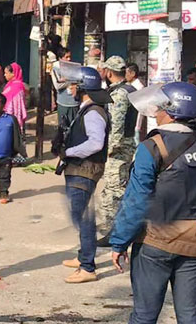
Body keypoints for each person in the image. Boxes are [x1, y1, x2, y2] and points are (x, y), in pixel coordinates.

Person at [110, 82, 196, 324]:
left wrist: (119, 241)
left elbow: (137, 201)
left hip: (156, 243)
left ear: (171, 111)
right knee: (190, 317)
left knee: (144, 316)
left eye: (159, 108)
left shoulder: (153, 147)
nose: (155, 113)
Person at [58, 65, 112, 284]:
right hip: (80, 168)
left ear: (82, 87)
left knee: (83, 218)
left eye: (72, 85)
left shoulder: (93, 112)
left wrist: (69, 152)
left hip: (85, 169)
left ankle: (88, 267)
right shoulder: (86, 108)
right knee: (82, 214)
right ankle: (83, 257)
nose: (70, 89)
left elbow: (96, 143)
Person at [97, 56, 138, 245]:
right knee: (113, 189)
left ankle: (116, 233)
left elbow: (117, 125)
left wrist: (109, 150)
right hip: (124, 146)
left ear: (109, 72)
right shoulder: (126, 90)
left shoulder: (120, 93)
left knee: (115, 190)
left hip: (118, 149)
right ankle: (113, 229)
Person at [51, 48, 79, 127]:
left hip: (74, 103)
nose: (69, 59)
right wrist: (72, 79)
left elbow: (79, 81)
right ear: (60, 58)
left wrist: (67, 80)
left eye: (70, 57)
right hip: (63, 103)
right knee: (63, 127)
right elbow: (57, 86)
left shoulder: (74, 68)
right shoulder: (56, 69)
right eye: (66, 57)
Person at [1, 63, 27, 135]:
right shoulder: (11, 84)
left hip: (13, 115)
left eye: (6, 73)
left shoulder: (17, 86)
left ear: (13, 73)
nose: (4, 75)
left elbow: (16, 103)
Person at [126, 63, 146, 145]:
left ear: (132, 74)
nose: (125, 75)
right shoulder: (130, 86)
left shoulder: (138, 87)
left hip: (135, 123)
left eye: (126, 73)